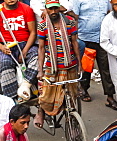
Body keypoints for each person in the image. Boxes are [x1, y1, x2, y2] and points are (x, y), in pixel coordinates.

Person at [35, 0, 82, 129]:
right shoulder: (43, 26)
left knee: (72, 97)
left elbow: (75, 43)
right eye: (50, 9)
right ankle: (42, 111)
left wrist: (79, 64)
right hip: (53, 67)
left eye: (56, 8)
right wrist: (40, 70)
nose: (54, 12)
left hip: (70, 65)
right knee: (46, 97)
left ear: (59, 8)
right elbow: (41, 49)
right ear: (46, 9)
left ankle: (71, 117)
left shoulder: (69, 22)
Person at [0, 0, 39, 99]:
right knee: (5, 65)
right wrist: (1, 47)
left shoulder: (26, 9)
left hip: (25, 44)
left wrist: (25, 50)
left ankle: (25, 85)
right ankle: (12, 99)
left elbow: (33, 33)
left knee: (37, 57)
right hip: (6, 46)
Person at [76, 0, 116, 106]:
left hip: (102, 38)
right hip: (84, 38)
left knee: (106, 67)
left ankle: (110, 96)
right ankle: (83, 89)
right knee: (86, 66)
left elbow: (109, 13)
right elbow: (74, 17)